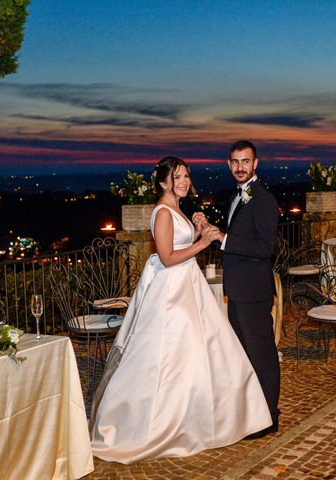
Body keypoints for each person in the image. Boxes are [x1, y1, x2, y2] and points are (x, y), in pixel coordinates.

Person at [90, 156, 272, 464]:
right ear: (163, 182)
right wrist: (203, 242)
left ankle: (197, 418)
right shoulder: (162, 212)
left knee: (199, 354)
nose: (184, 181)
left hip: (187, 287)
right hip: (171, 293)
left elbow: (180, 241)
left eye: (186, 176)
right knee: (167, 356)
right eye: (177, 177)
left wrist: (197, 223)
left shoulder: (176, 209)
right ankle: (158, 424)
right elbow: (167, 257)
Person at [195, 140, 280, 438]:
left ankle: (269, 417)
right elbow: (241, 234)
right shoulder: (236, 196)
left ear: (255, 164)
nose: (240, 167)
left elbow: (265, 247)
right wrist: (213, 229)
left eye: (245, 161)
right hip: (238, 289)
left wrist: (225, 239)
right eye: (235, 161)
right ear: (228, 164)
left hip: (254, 291)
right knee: (245, 354)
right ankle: (251, 413)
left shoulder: (264, 200)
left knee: (263, 354)